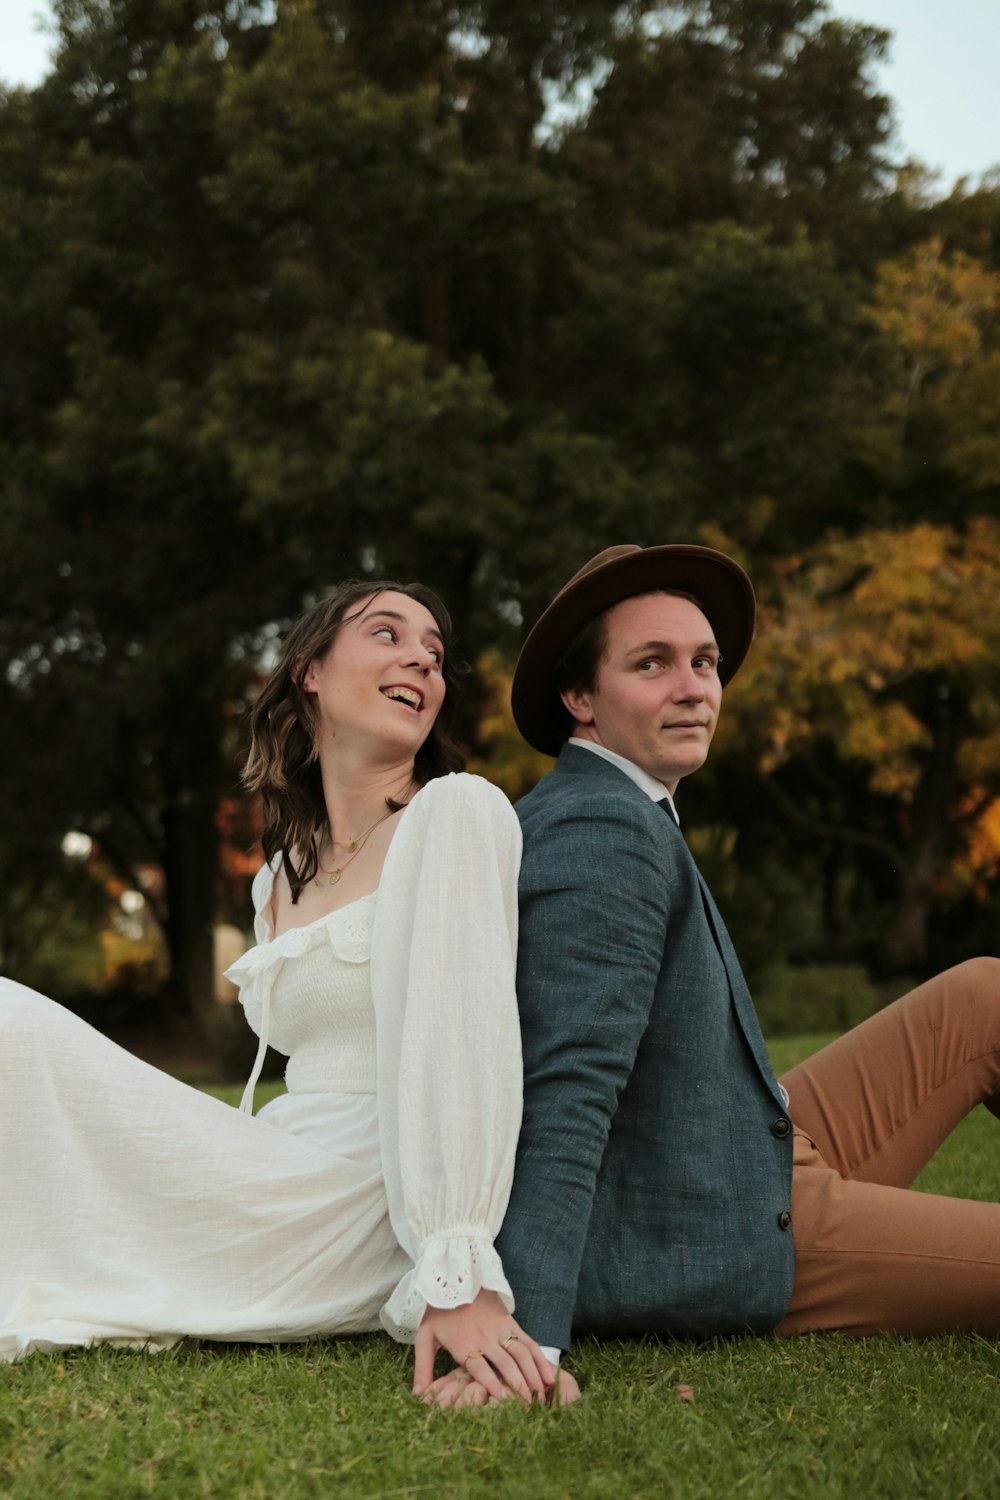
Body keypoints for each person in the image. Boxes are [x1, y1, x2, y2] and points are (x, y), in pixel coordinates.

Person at [0, 578, 556, 1404]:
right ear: (310, 672)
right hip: (273, 1162)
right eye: (388, 634)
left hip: (360, 1201)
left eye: (436, 653)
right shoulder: (276, 880)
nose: (422, 660)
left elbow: (461, 1037)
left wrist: (458, 1267)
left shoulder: (456, 812)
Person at [483, 543, 1000, 1392]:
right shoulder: (599, 832)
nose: (693, 687)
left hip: (734, 1142)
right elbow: (566, 1085)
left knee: (982, 993)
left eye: (704, 662)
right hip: (715, 1223)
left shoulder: (617, 803)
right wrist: (530, 1339)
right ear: (581, 698)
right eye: (650, 664)